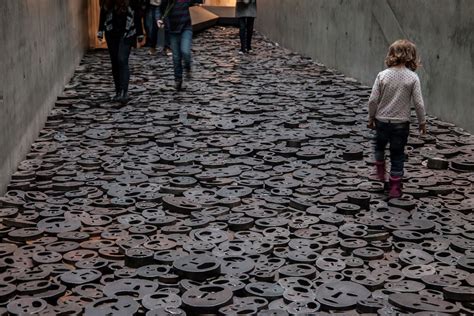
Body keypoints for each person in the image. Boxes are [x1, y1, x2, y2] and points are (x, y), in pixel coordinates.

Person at [368, 39, 427, 198]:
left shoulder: (382, 75)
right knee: (397, 154)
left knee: (379, 146)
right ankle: (394, 187)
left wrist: (371, 117)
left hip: (381, 121)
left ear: (391, 54)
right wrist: (422, 122)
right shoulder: (413, 78)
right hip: (401, 124)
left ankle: (380, 166)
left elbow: (373, 100)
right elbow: (419, 103)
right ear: (411, 56)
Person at [97, 0, 144, 104]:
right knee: (115, 61)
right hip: (111, 32)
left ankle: (124, 92)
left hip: (128, 32)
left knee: (122, 59)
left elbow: (136, 13)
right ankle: (118, 91)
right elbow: (103, 11)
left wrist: (140, 33)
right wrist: (100, 30)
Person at [157, 0, 203, 91]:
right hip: (173, 30)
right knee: (176, 57)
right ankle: (178, 80)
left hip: (186, 28)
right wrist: (159, 19)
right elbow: (160, 9)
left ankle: (187, 66)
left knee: (185, 51)